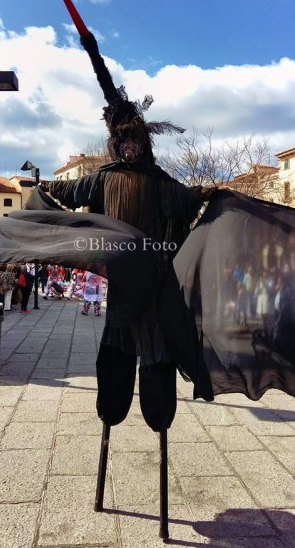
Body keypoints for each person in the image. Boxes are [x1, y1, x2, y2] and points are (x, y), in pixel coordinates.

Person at [39, 25, 216, 431]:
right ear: (116, 145)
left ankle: (158, 413)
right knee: (118, 339)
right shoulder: (103, 177)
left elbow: (185, 198)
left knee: (155, 344)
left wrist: (207, 191)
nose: (130, 148)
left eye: (135, 142)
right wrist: (47, 186)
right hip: (121, 280)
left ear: (143, 143)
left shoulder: (159, 181)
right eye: (124, 144)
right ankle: (112, 408)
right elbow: (71, 188)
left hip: (153, 277)